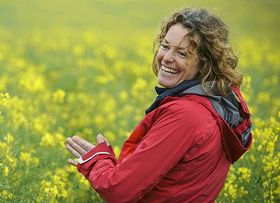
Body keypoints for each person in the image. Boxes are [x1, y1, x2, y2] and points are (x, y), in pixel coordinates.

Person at [65, 7, 252, 202]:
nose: (167, 58)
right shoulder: (211, 106)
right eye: (165, 46)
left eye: (181, 53)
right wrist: (107, 164)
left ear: (204, 64)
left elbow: (119, 191)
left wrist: (98, 164)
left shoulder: (186, 116)